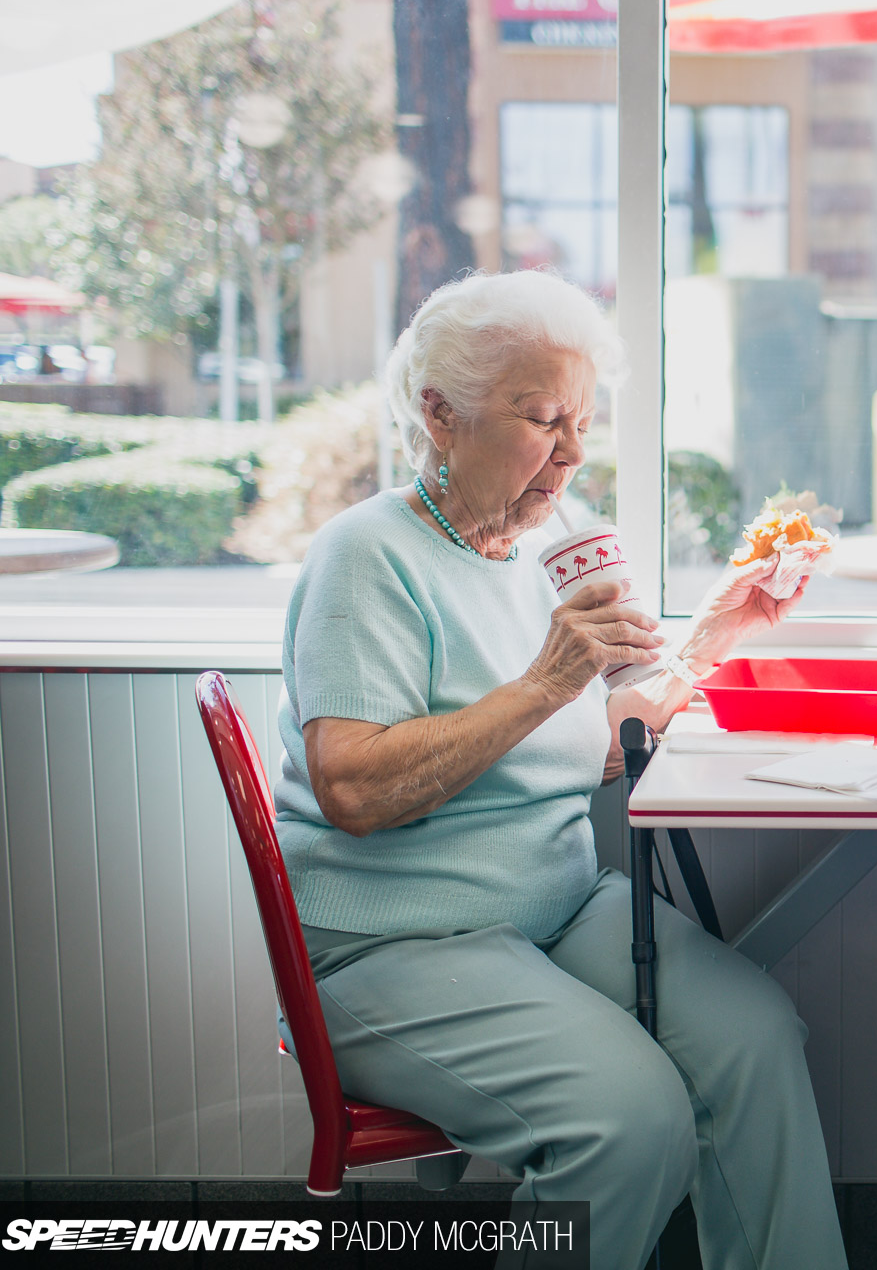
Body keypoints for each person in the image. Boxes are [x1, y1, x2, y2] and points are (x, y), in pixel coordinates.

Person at [274, 269, 847, 1269]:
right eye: (541, 418)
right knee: (629, 1118)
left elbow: (612, 712)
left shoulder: (561, 537)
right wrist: (546, 680)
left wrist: (716, 632)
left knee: (757, 1036)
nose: (572, 452)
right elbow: (353, 789)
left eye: (581, 420)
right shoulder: (366, 557)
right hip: (391, 942)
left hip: (553, 905)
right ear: (439, 415)